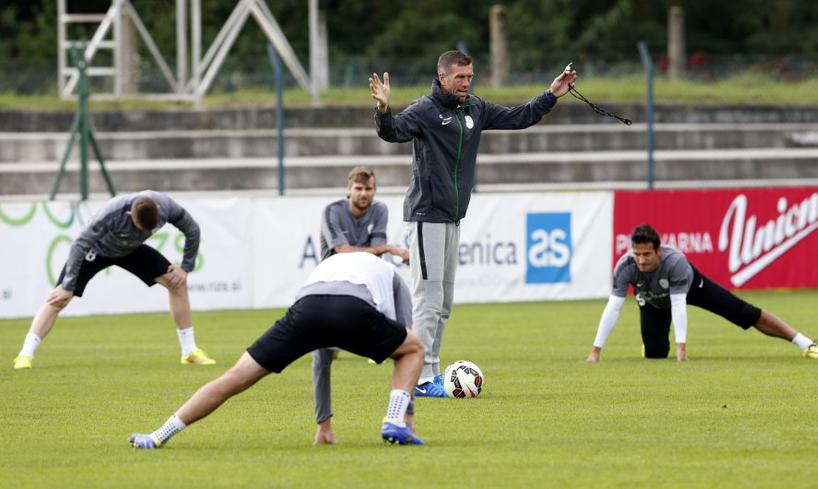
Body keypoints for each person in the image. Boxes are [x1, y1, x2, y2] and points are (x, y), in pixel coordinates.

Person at [370, 50, 578, 397]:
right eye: (460, 77)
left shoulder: (475, 108)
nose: (467, 83)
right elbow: (392, 132)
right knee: (427, 300)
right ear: (442, 77)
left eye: (469, 76)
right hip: (426, 216)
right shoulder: (424, 110)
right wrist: (383, 109)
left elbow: (519, 117)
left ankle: (430, 371)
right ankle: (419, 378)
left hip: (453, 217)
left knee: (443, 304)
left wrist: (551, 95)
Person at [129, 252, 426, 448]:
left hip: (305, 310)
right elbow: (404, 349)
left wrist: (323, 423)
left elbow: (321, 352)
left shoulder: (327, 266)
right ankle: (393, 420)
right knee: (413, 350)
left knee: (234, 377)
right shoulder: (391, 274)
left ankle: (157, 435)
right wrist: (406, 419)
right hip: (353, 308)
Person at [13, 190, 215, 370]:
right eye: (139, 228)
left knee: (177, 283)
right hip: (97, 250)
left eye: (148, 230)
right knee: (60, 298)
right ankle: (25, 354)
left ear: (159, 209)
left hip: (132, 250)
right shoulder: (112, 212)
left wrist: (185, 268)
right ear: (129, 214)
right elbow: (80, 244)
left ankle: (189, 352)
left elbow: (192, 229)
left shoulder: (167, 205)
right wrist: (68, 285)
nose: (144, 233)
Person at [586, 224, 818, 362]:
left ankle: (805, 343)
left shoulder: (675, 262)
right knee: (656, 354)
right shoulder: (625, 266)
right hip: (653, 302)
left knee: (743, 312)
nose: (641, 260)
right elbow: (613, 308)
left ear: (658, 251)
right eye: (637, 254)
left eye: (647, 254)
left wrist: (682, 349)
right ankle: (652, 342)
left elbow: (678, 305)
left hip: (692, 288)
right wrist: (595, 352)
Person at [312, 165, 410, 444]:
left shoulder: (379, 210)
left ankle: (405, 418)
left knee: (405, 341)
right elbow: (344, 252)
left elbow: (373, 257)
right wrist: (391, 248)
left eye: (368, 189)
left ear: (374, 190)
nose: (363, 193)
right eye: (358, 188)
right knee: (321, 356)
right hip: (330, 284)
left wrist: (382, 250)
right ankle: (323, 426)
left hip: (364, 289)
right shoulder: (332, 211)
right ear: (349, 190)